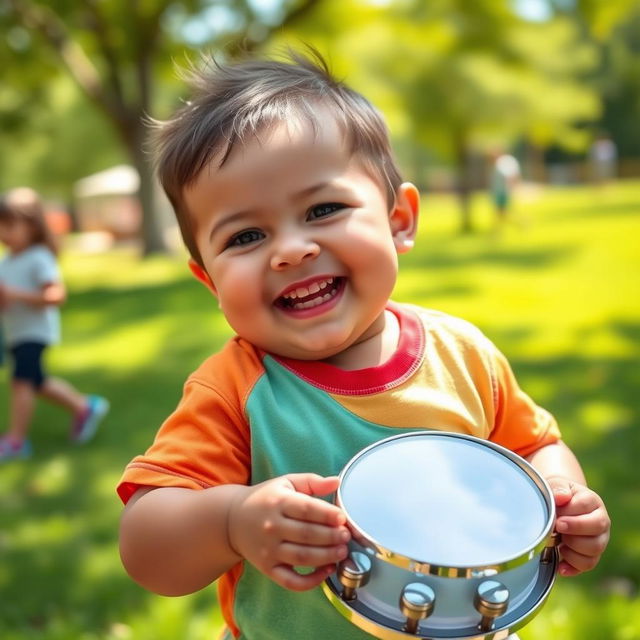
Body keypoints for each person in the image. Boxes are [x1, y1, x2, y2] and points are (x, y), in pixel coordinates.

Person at [117, 50, 610, 640]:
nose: (292, 250)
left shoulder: (462, 354)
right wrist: (230, 521)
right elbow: (146, 545)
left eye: (323, 209)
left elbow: (535, 447)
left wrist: (561, 495)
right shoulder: (235, 391)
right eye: (246, 236)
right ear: (210, 281)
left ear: (399, 219)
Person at [0, 187, 109, 462]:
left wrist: (15, 294)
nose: (4, 233)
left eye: (10, 226)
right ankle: (85, 407)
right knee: (36, 382)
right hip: (16, 332)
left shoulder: (39, 258)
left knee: (20, 382)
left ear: (32, 226)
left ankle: (16, 441)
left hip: (35, 332)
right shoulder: (6, 262)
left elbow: (56, 295)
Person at [489, 149, 521, 229]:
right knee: (501, 213)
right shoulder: (498, 164)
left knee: (502, 212)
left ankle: (521, 223)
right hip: (500, 191)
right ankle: (499, 229)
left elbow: (509, 176)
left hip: (503, 192)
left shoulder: (501, 164)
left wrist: (512, 188)